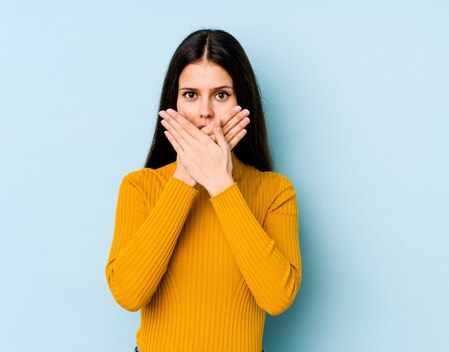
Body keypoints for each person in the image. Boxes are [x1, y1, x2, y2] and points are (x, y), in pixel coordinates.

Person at [105, 28, 302, 352]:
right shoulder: (140, 187)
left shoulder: (275, 192)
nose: (205, 112)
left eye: (221, 94)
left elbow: (277, 298)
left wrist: (220, 184)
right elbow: (128, 294)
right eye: (191, 95)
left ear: (243, 102)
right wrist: (185, 177)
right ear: (174, 103)